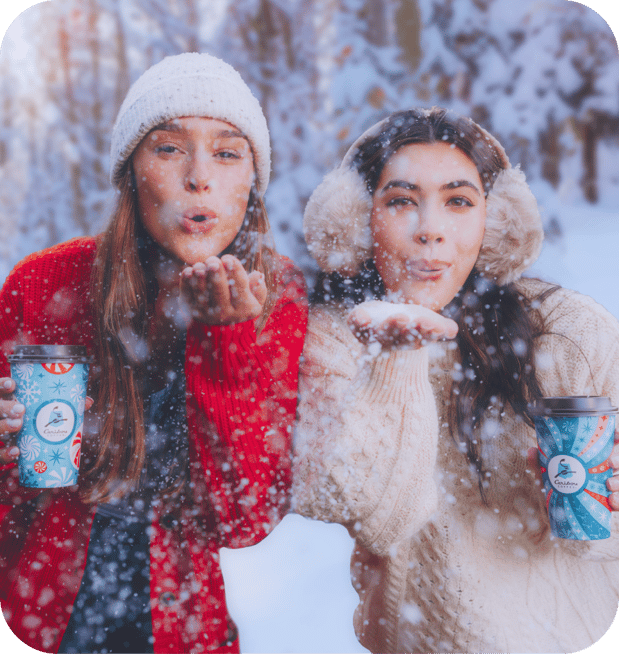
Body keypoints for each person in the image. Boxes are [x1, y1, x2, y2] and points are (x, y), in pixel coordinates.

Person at [0, 52, 307, 654]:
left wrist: (225, 340)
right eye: (168, 148)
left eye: (226, 152)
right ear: (130, 173)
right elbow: (18, 489)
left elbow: (242, 519)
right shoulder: (44, 285)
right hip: (37, 612)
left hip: (181, 625)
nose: (199, 177)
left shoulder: (276, 298)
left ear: (252, 181)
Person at [292, 107, 619, 653]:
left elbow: (604, 532)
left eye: (458, 201)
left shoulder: (565, 329)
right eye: (401, 201)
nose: (430, 231)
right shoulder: (332, 341)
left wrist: (601, 506)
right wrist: (400, 354)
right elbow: (382, 516)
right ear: (356, 218)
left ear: (495, 220)